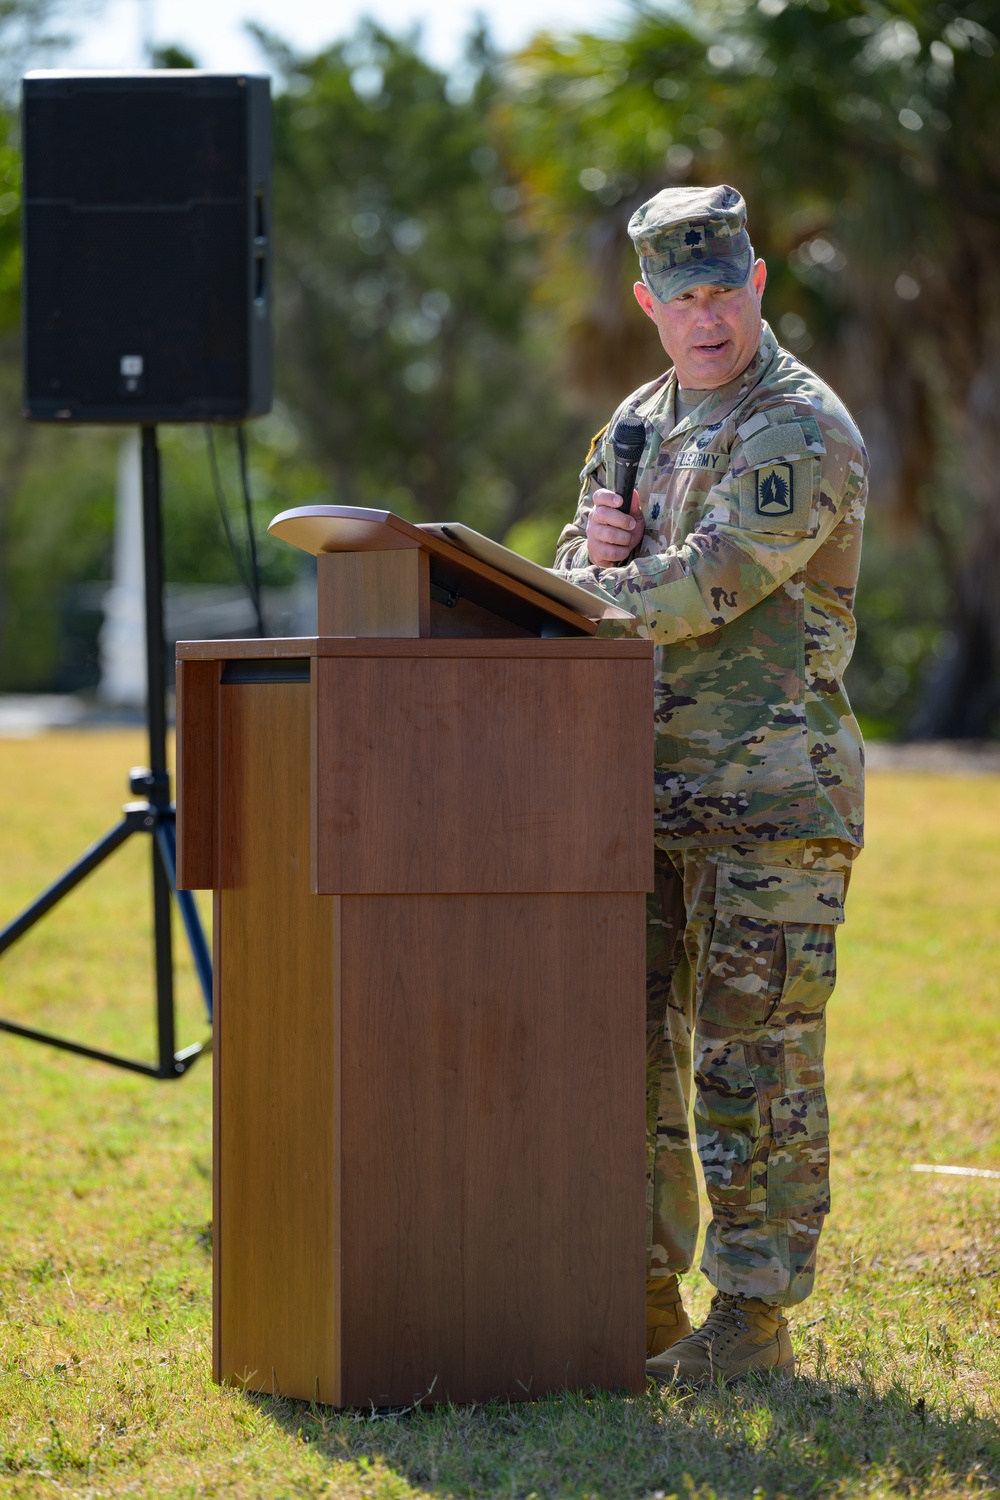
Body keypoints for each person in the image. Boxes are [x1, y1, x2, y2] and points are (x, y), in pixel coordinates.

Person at [553, 184, 868, 1385]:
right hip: (629, 795)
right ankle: (630, 1291)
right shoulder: (635, 420)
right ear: (646, 303)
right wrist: (589, 555)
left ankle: (751, 1320)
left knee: (752, 1058)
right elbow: (598, 556)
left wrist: (574, 588)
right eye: (679, 297)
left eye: (721, 291)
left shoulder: (798, 423)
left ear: (757, 286)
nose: (704, 317)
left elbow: (708, 587)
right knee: (623, 1053)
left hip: (772, 800)